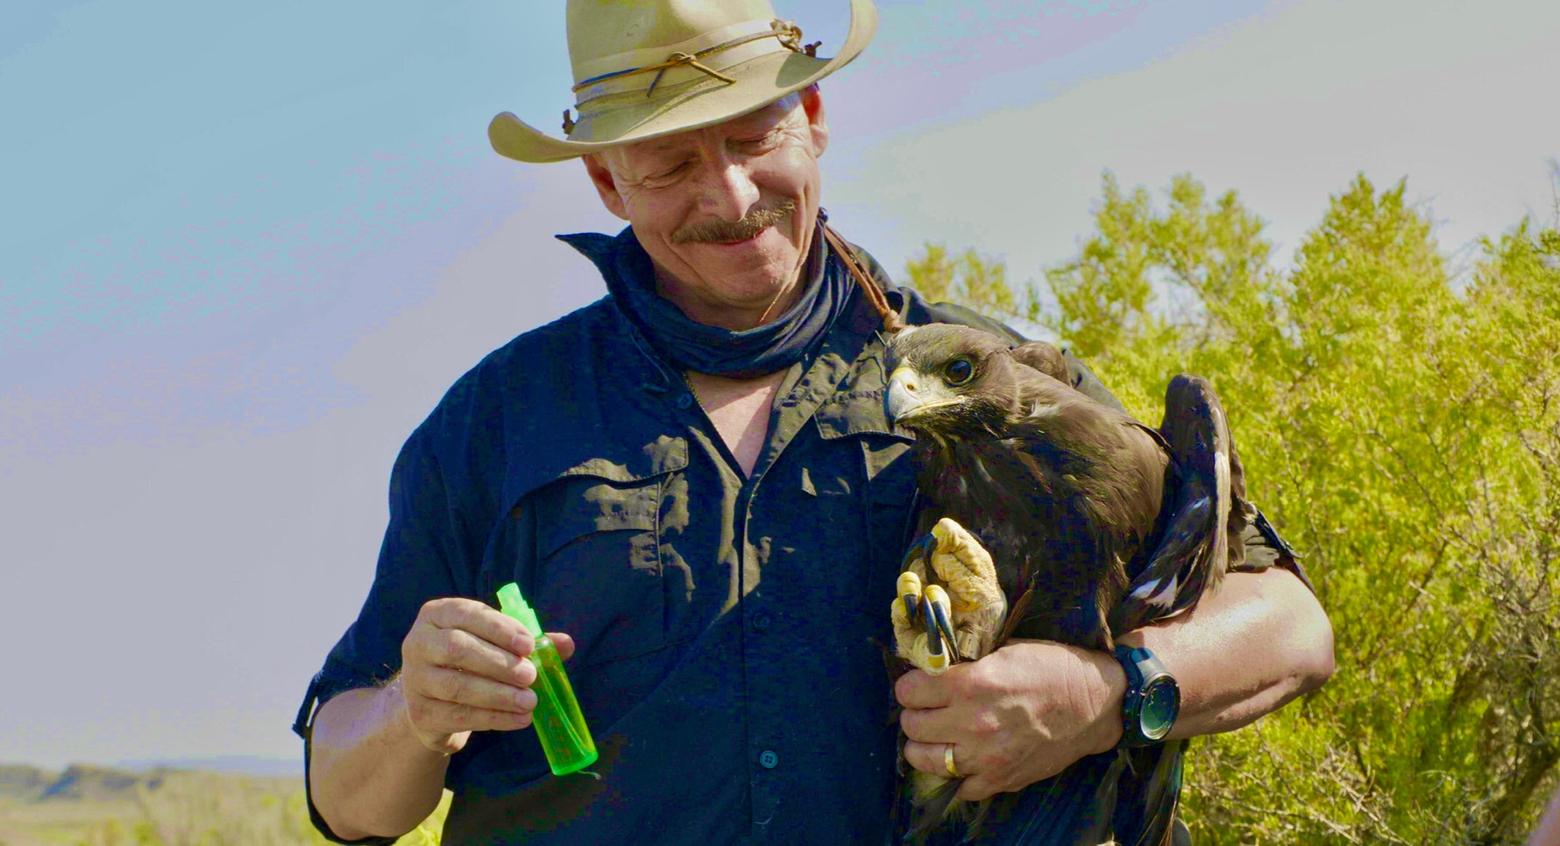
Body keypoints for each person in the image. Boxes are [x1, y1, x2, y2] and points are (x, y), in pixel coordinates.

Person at [293, 2, 1335, 843]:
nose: (732, 193)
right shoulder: (497, 424)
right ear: (607, 181)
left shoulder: (994, 377)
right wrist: (414, 713)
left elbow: (1291, 628)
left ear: (817, 118)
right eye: (669, 165)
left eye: (754, 138)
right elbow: (348, 799)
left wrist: (1106, 692)